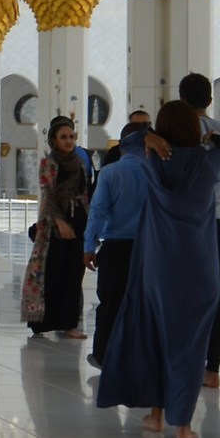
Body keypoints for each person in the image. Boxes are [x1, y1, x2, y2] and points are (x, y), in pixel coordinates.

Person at [97, 100, 220, 438]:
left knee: (155, 338)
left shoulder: (152, 158)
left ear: (162, 129)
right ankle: (183, 425)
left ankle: (156, 416)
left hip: (157, 266)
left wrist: (147, 137)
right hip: (200, 268)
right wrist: (216, 139)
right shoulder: (211, 161)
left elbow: (125, 143)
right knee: (190, 345)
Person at [179, 72, 220, 387]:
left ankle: (179, 360)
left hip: (178, 222)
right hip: (213, 221)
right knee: (213, 292)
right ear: (210, 100)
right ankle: (212, 369)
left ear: (181, 99)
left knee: (175, 288)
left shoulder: (175, 130)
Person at [84, 114, 149, 366]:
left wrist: (89, 245)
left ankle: (103, 355)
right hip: (148, 249)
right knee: (144, 305)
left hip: (115, 249)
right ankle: (141, 357)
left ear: (121, 145)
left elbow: (98, 211)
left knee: (111, 303)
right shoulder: (157, 173)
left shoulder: (111, 172)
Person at [20, 116, 91, 339]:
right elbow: (48, 195)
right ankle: (42, 323)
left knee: (73, 273)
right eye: (63, 137)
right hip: (54, 225)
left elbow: (85, 194)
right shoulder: (48, 163)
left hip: (79, 221)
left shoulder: (80, 163)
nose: (68, 141)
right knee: (53, 272)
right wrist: (60, 222)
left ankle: (69, 324)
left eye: (71, 136)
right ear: (54, 140)